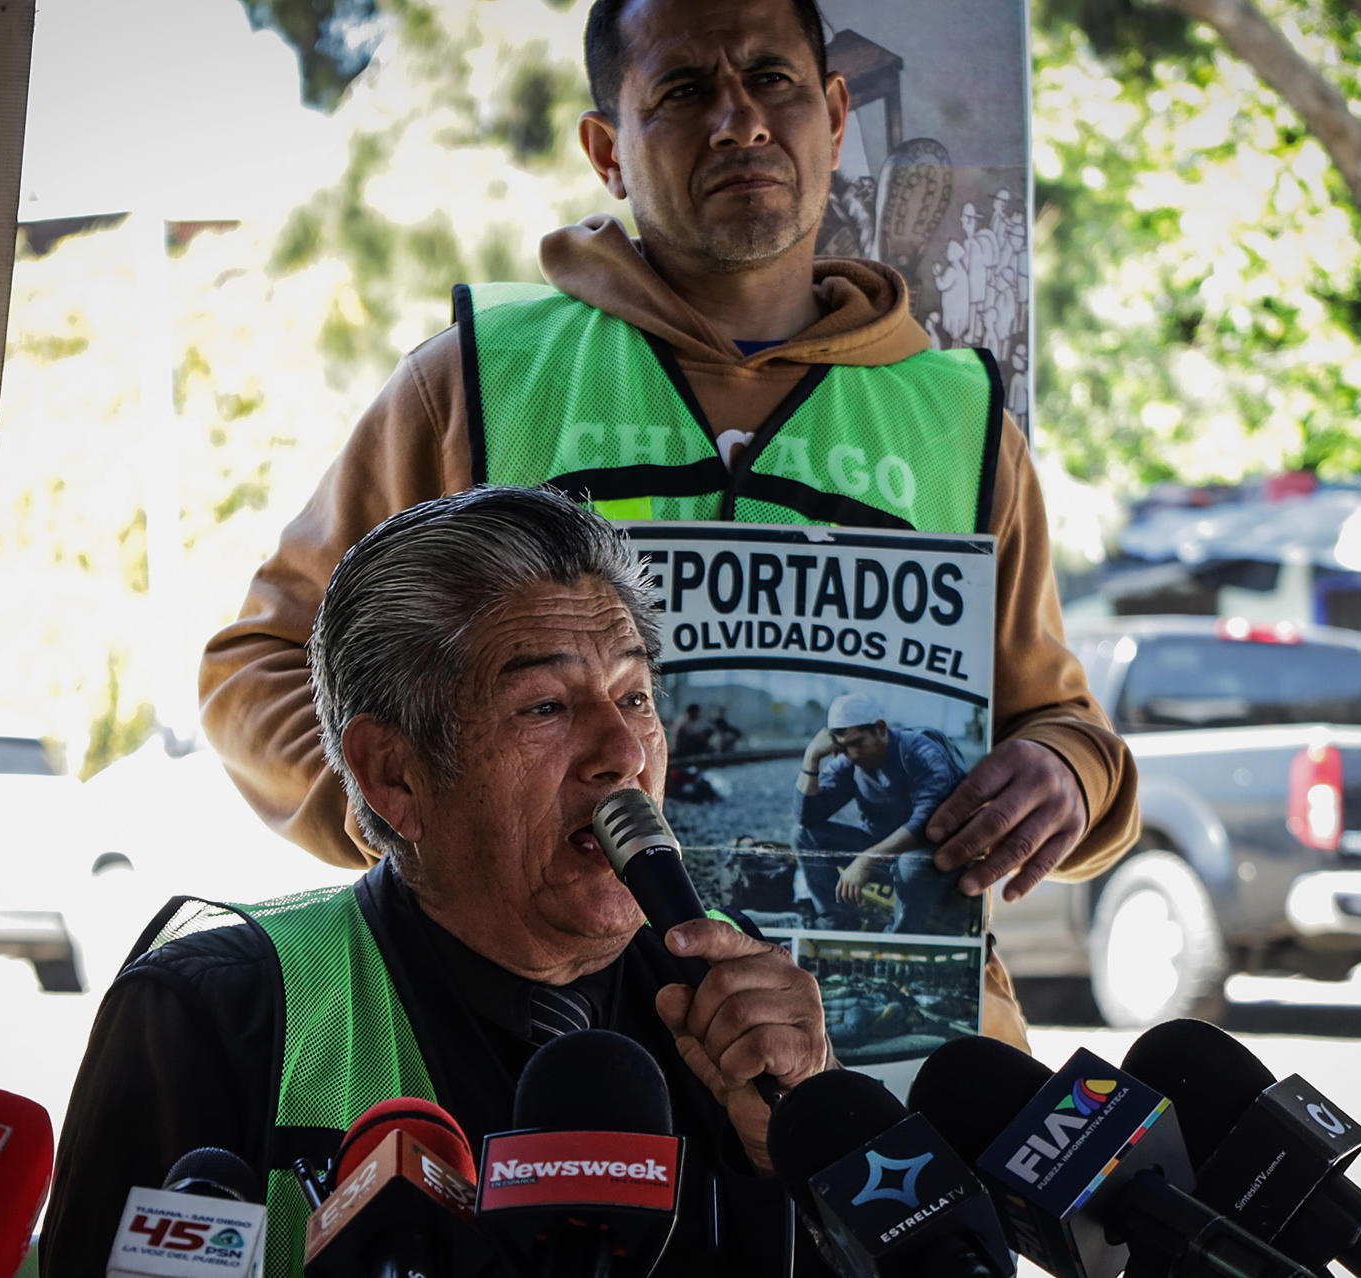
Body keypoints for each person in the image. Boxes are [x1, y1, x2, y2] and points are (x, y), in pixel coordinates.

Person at [199, 0, 1141, 1050]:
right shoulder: (475, 382)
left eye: (773, 81)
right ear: (606, 149)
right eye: (685, 90)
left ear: (834, 115)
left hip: (878, 1066)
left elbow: (1064, 727)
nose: (740, 122)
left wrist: (1066, 776)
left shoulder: (962, 421)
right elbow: (260, 670)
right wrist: (430, 829)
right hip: (541, 1050)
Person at [40, 488, 835, 1278]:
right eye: (547, 707)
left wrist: (796, 1148)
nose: (624, 753)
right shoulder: (217, 1015)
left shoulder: (738, 999)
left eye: (634, 696)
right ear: (395, 774)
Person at [795, 693, 968, 934]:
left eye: (857, 743)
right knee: (804, 836)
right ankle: (837, 925)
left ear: (881, 728)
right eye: (843, 747)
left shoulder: (921, 753)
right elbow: (806, 818)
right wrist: (811, 759)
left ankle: (902, 937)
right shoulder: (850, 762)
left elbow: (928, 823)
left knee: (910, 864)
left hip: (933, 857)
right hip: (884, 856)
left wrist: (867, 859)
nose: (852, 754)